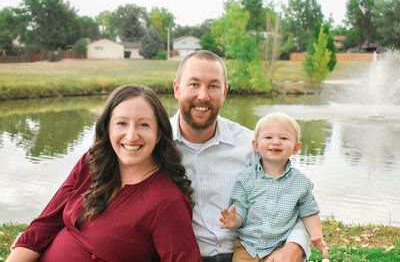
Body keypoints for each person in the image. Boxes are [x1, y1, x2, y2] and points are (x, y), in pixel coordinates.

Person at [6, 84, 201, 262]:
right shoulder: (92, 163)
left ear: (158, 134)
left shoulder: (167, 201)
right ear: (107, 128)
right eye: (121, 123)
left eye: (144, 125)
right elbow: (47, 223)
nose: (132, 136)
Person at [171, 50, 310, 262]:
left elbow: (295, 199)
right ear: (177, 89)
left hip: (245, 254)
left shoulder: (251, 145)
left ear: (225, 92)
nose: (203, 95)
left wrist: (295, 246)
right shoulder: (154, 143)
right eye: (194, 84)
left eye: (213, 86)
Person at [220, 112, 329, 261]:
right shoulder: (245, 178)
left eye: (283, 138)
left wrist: (316, 235)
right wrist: (234, 220)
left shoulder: (300, 182)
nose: (276, 142)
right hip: (247, 248)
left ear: (296, 148)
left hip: (280, 248)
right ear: (256, 145)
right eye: (268, 137)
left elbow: (309, 212)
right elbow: (241, 207)